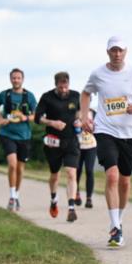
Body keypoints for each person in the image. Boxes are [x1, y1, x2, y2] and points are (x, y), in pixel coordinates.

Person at [81, 37, 132, 247]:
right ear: (107, 52)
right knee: (112, 175)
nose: (117, 54)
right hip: (105, 130)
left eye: (120, 50)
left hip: (130, 133)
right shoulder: (98, 74)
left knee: (125, 181)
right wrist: (85, 116)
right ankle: (115, 228)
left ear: (126, 51)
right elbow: (86, 94)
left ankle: (118, 219)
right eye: (113, 50)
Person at [34, 71, 81, 222]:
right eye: (61, 87)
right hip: (53, 141)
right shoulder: (47, 97)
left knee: (71, 173)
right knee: (55, 175)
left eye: (66, 86)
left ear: (69, 84)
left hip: (71, 140)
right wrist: (52, 122)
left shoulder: (75, 95)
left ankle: (71, 208)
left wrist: (79, 120)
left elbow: (80, 112)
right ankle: (54, 199)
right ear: (56, 85)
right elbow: (37, 118)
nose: (64, 90)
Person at [0, 69, 38, 211]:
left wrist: (25, 117)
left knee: (20, 168)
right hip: (8, 134)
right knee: (12, 165)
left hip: (24, 136)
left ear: (22, 79)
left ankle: (17, 195)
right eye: (14, 78)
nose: (16, 80)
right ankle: (12, 197)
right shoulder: (5, 94)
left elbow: (36, 115)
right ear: (10, 79)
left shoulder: (29, 96)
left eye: (18, 78)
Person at [75, 108, 97, 209]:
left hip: (91, 146)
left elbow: (98, 127)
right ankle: (76, 193)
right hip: (78, 146)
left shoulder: (93, 113)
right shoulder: (75, 112)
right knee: (77, 171)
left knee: (89, 170)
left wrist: (92, 127)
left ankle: (89, 198)